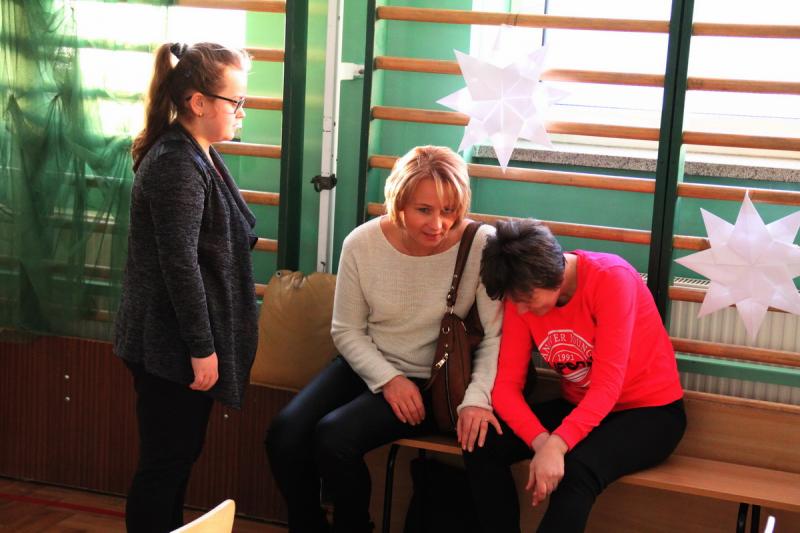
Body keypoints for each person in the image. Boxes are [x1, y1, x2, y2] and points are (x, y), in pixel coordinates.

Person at [266, 145, 504, 533]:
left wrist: (477, 399)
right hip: (369, 363)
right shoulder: (361, 244)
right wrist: (388, 379)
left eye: (449, 210)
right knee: (284, 435)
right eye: (424, 210)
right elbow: (346, 330)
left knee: (334, 438)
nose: (438, 224)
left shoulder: (482, 244)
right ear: (399, 203)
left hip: (436, 380)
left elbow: (495, 336)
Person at [114, 42, 257, 533]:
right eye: (235, 101)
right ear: (198, 102)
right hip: (171, 346)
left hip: (179, 343)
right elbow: (180, 266)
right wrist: (202, 347)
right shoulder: (177, 164)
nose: (242, 111)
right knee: (164, 467)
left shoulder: (198, 154)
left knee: (177, 462)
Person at [465, 218, 686, 533]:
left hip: (651, 413)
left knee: (576, 470)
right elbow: (505, 389)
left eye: (527, 301)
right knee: (482, 443)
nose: (521, 311)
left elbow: (607, 388)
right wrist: (543, 442)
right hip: (581, 408)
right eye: (515, 302)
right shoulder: (521, 294)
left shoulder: (612, 279)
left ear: (550, 276)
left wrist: (558, 446)